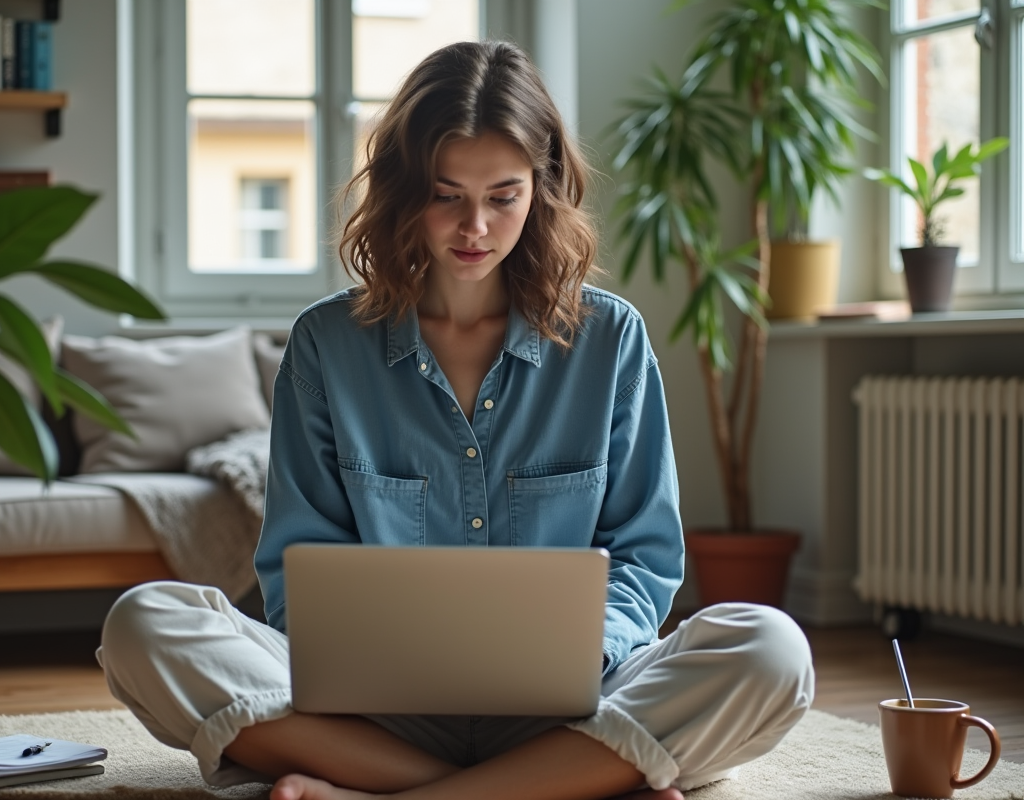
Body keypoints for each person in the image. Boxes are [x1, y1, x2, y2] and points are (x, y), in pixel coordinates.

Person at [98, 39, 814, 800]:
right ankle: (558, 785)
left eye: (503, 196)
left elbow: (644, 557)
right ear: (406, 191)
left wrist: (579, 657)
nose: (474, 225)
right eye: (447, 195)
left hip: (575, 703)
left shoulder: (611, 340)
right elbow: (299, 565)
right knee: (145, 625)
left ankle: (390, 792)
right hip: (379, 714)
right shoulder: (327, 345)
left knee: (771, 651)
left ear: (542, 189)